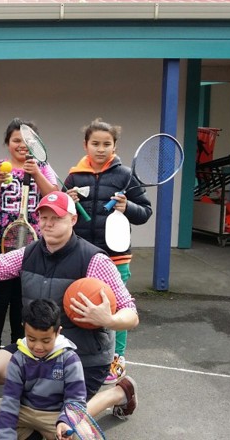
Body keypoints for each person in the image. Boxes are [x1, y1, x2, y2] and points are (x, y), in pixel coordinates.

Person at [0, 191, 139, 422]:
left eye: (56, 218)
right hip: (40, 350)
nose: (47, 224)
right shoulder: (28, 253)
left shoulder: (94, 260)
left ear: (73, 219)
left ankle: (118, 392)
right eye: (43, 218)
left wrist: (108, 320)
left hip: (83, 358)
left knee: (67, 421)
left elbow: (131, 313)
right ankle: (39, 394)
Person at [64, 118, 152, 385]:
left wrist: (129, 208)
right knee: (80, 304)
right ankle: (80, 352)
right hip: (82, 254)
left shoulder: (125, 175)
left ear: (114, 146)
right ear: (85, 145)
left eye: (107, 144)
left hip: (116, 255)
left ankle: (117, 357)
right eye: (95, 143)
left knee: (117, 307)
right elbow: (61, 211)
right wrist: (68, 199)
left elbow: (145, 212)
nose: (100, 149)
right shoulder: (74, 175)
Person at [0, 119, 58, 356]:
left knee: (21, 298)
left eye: (27, 141)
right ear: (7, 143)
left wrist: (36, 174)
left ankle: (19, 346)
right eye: (16, 140)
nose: (21, 145)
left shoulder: (43, 166)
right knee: (0, 297)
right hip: (0, 241)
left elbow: (54, 198)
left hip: (33, 243)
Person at [0, 299, 86, 440]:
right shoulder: (18, 359)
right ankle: (32, 436)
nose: (38, 347)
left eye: (46, 341)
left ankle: (52, 433)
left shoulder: (69, 359)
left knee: (82, 436)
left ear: (58, 332)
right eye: (31, 339)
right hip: (24, 410)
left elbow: (76, 400)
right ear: (24, 328)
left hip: (54, 415)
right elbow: (10, 401)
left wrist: (66, 421)